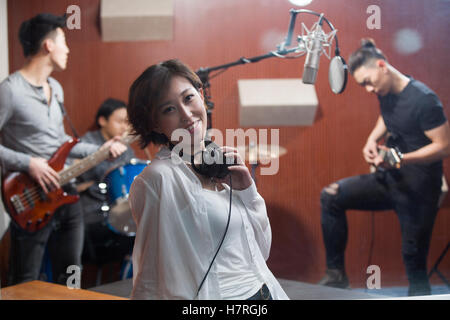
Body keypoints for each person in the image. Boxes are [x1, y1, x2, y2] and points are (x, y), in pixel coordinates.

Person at [126, 59, 288, 300]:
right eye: (168, 109)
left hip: (265, 293)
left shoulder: (219, 164)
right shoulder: (157, 179)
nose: (186, 115)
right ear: (155, 124)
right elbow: (151, 273)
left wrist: (247, 191)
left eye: (188, 98)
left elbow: (261, 249)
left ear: (201, 96)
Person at [0, 13, 127, 285]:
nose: (67, 50)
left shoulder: (56, 88)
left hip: (66, 193)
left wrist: (101, 148)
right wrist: (29, 163)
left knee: (71, 274)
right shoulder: (10, 90)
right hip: (29, 197)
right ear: (48, 45)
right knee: (25, 279)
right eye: (64, 42)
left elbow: (61, 143)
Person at [318, 38, 450, 296]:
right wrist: (372, 138)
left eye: (368, 81)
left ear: (382, 66)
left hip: (420, 189)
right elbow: (388, 117)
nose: (367, 89)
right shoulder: (386, 91)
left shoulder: (424, 100)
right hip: (390, 180)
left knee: (414, 261)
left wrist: (400, 157)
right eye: (362, 84)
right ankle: (336, 276)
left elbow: (444, 147)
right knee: (330, 195)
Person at [77, 98, 135, 272]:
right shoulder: (85, 145)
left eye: (127, 123)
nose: (125, 127)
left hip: (119, 213)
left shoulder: (127, 149)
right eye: (119, 121)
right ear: (103, 120)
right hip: (91, 214)